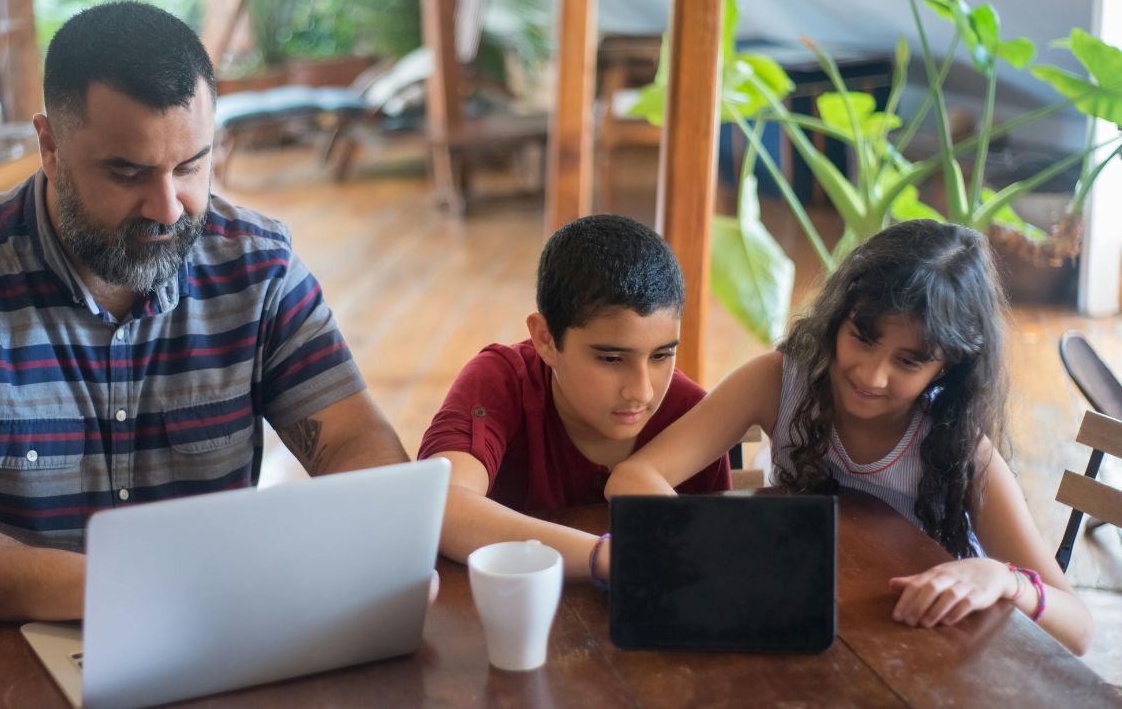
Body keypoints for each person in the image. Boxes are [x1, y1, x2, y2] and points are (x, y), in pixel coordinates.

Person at [0, 2, 408, 706]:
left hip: (206, 642)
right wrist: (130, 592)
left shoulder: (258, 266)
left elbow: (353, 439)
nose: (168, 207)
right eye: (127, 172)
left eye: (191, 165)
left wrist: (364, 542)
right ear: (49, 146)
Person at [605, 219, 1093, 654]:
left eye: (909, 360)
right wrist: (705, 547)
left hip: (926, 651)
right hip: (807, 625)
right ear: (837, 315)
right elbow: (634, 476)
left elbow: (1077, 630)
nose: (873, 376)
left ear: (950, 366)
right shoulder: (779, 380)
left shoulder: (961, 449)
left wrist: (1004, 579)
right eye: (862, 336)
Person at [418, 214, 731, 586]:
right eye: (612, 359)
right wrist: (606, 557)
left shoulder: (690, 417)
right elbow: (438, 505)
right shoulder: (501, 382)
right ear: (546, 340)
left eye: (661, 355)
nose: (642, 391)